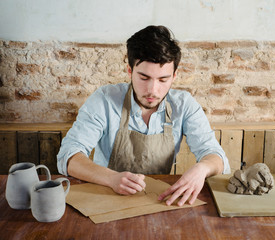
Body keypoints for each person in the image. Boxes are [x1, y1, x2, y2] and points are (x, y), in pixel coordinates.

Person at [57, 25, 230, 207]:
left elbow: (216, 157)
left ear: (174, 75)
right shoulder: (105, 100)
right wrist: (112, 178)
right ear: (130, 71)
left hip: (158, 202)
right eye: (144, 78)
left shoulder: (184, 105)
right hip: (105, 197)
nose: (152, 90)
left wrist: (202, 168)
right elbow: (68, 156)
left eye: (163, 80)